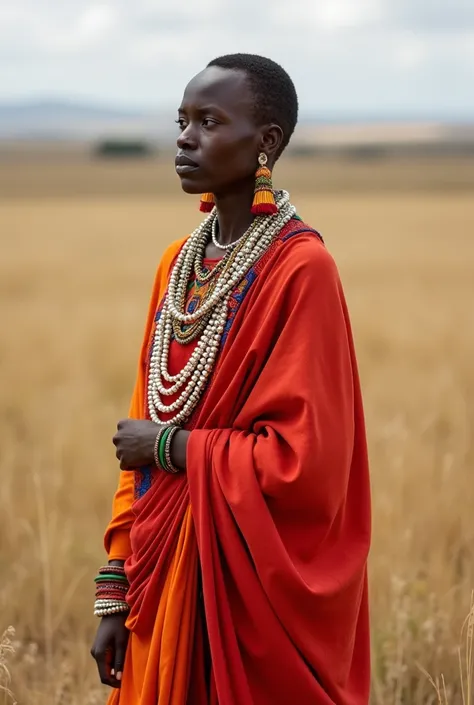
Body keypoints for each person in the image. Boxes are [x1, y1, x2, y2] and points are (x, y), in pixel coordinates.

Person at [90, 53, 371, 705]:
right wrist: (115, 586)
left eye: (209, 121)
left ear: (266, 142)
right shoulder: (177, 266)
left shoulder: (302, 270)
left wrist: (172, 445)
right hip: (162, 577)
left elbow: (303, 464)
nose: (185, 138)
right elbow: (143, 442)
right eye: (181, 120)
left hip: (251, 589)